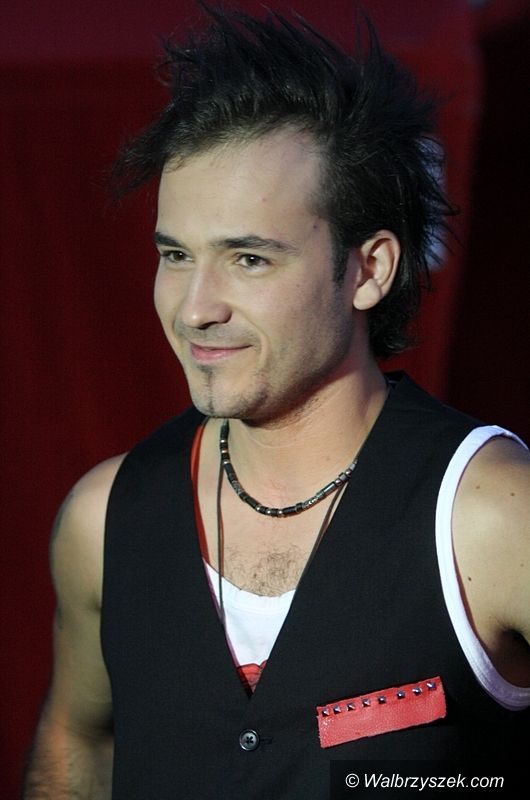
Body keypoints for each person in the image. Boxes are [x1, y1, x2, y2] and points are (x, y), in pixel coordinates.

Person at [23, 7, 530, 799]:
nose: (195, 308)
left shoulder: (491, 516)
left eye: (249, 259)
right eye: (176, 255)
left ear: (369, 270)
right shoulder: (106, 519)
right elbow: (78, 738)